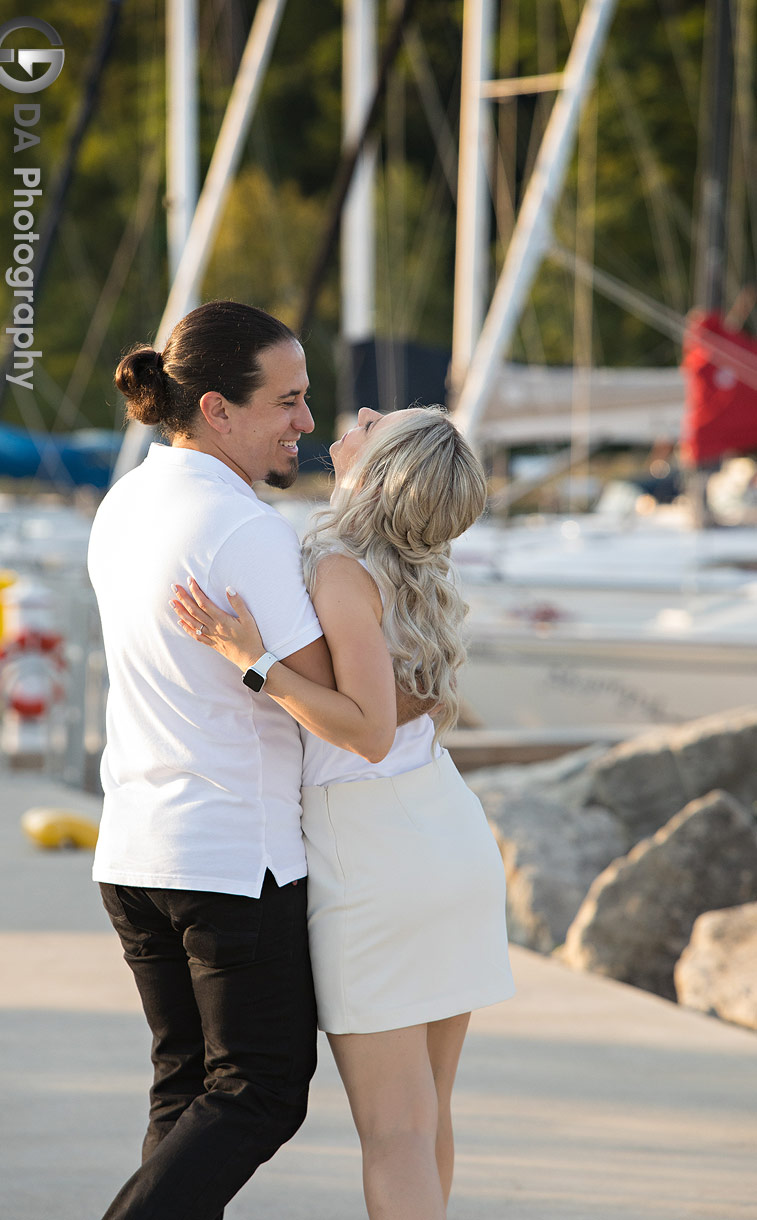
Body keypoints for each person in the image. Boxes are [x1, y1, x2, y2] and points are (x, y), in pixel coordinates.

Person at [171, 403, 515, 1220]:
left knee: (395, 1131)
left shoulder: (338, 568)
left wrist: (249, 661)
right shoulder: (413, 565)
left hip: (374, 856)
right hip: (445, 836)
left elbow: (364, 732)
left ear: (376, 470)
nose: (353, 414)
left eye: (374, 422)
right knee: (426, 1111)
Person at [87, 300, 334, 1220]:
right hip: (231, 858)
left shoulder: (127, 500)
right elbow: (336, 702)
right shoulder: (245, 529)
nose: (306, 422)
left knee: (186, 1097)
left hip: (135, 850)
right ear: (219, 410)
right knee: (261, 1090)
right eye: (289, 401)